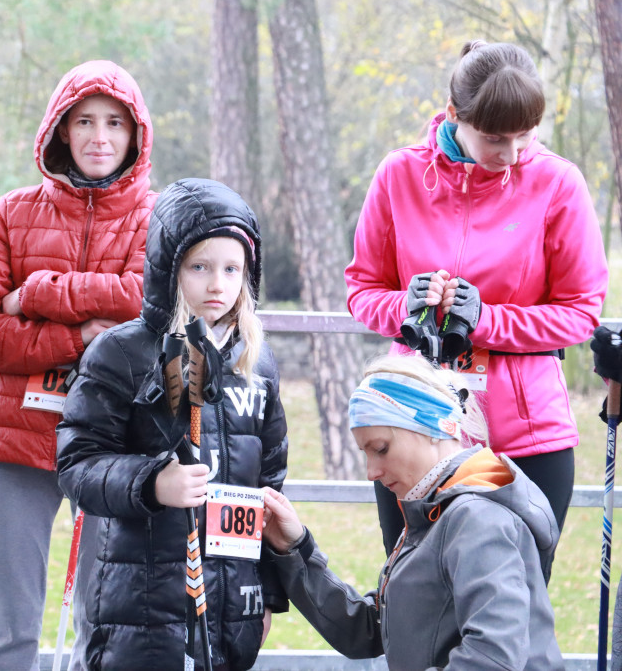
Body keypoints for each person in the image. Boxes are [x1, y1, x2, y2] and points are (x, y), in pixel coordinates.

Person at [345, 40, 608, 555]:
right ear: (454, 117)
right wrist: (405, 307)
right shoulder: (399, 174)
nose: (510, 155)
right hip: (414, 430)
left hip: (525, 440)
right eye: (494, 138)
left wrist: (486, 319)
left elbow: (579, 314)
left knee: (511, 609)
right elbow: (362, 291)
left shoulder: (559, 184)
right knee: (416, 604)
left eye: (525, 137)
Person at [0, 59, 156, 671]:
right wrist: (81, 336)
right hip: (18, 436)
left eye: (115, 123)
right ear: (60, 131)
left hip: (116, 443)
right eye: (85, 122)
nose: (100, 137)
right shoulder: (13, 212)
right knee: (10, 620)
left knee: (104, 615)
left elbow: (147, 304)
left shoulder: (159, 217)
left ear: (135, 134)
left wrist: (37, 292)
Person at [57, 177, 290, 671]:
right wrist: (151, 481)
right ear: (169, 268)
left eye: (232, 269)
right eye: (199, 267)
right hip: (139, 603)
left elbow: (269, 485)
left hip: (229, 601)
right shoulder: (121, 353)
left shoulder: (258, 363)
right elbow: (78, 465)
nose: (216, 284)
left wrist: (266, 590)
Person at [262, 353, 562, 670]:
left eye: (381, 449)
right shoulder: (434, 510)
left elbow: (493, 657)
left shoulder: (478, 518)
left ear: (433, 427)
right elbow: (371, 628)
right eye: (366, 453)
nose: (371, 472)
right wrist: (295, 549)